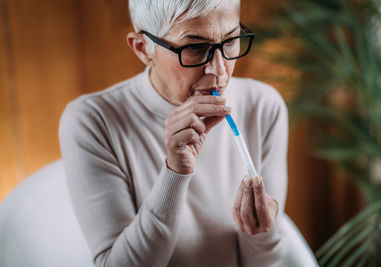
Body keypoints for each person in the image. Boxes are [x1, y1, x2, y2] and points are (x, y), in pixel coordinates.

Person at [59, 0, 289, 266]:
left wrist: (260, 233)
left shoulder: (263, 106)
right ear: (143, 48)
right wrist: (175, 173)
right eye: (194, 47)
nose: (219, 70)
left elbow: (263, 263)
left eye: (229, 41)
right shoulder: (92, 121)